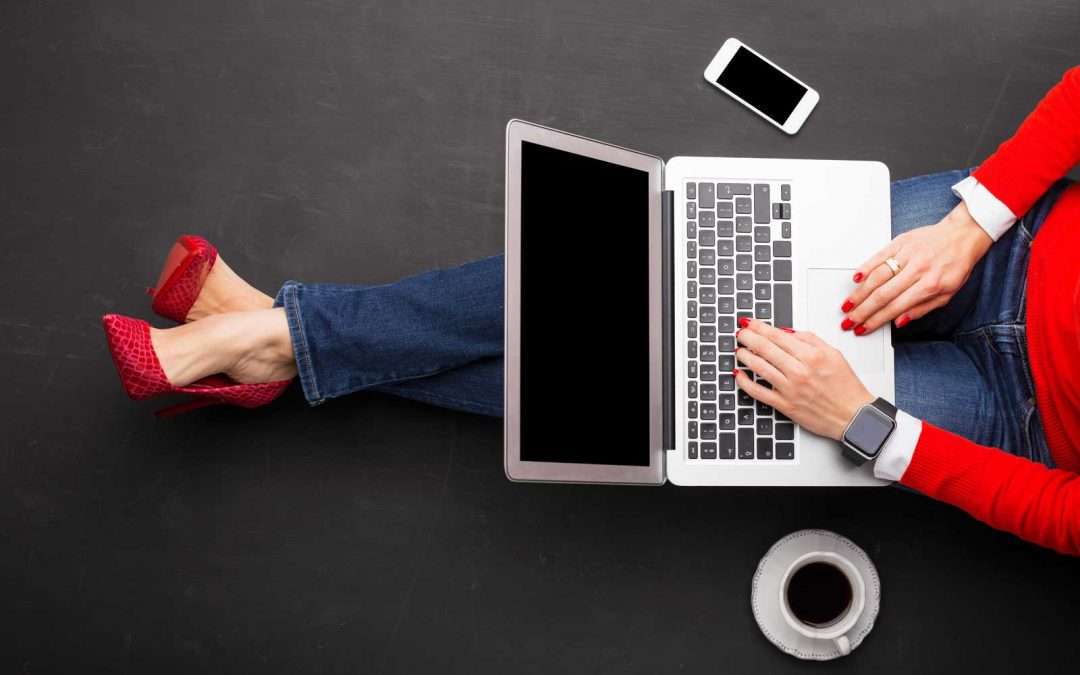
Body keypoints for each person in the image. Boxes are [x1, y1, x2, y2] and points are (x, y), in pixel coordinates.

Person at [103, 66, 1080, 555]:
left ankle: (273, 337)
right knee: (649, 274)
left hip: (1015, 420)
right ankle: (277, 345)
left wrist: (865, 429)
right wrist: (975, 222)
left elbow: (1061, 515)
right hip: (1014, 243)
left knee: (682, 406)